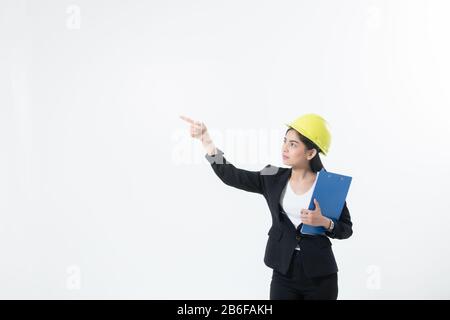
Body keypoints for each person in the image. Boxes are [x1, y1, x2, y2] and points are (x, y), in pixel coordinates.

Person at [180, 114, 353, 300]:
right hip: (283, 272)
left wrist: (325, 222)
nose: (284, 148)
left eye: (293, 144)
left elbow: (346, 230)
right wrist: (206, 141)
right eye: (285, 141)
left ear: (311, 153)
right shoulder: (272, 174)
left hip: (320, 276)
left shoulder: (329, 185)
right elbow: (232, 175)